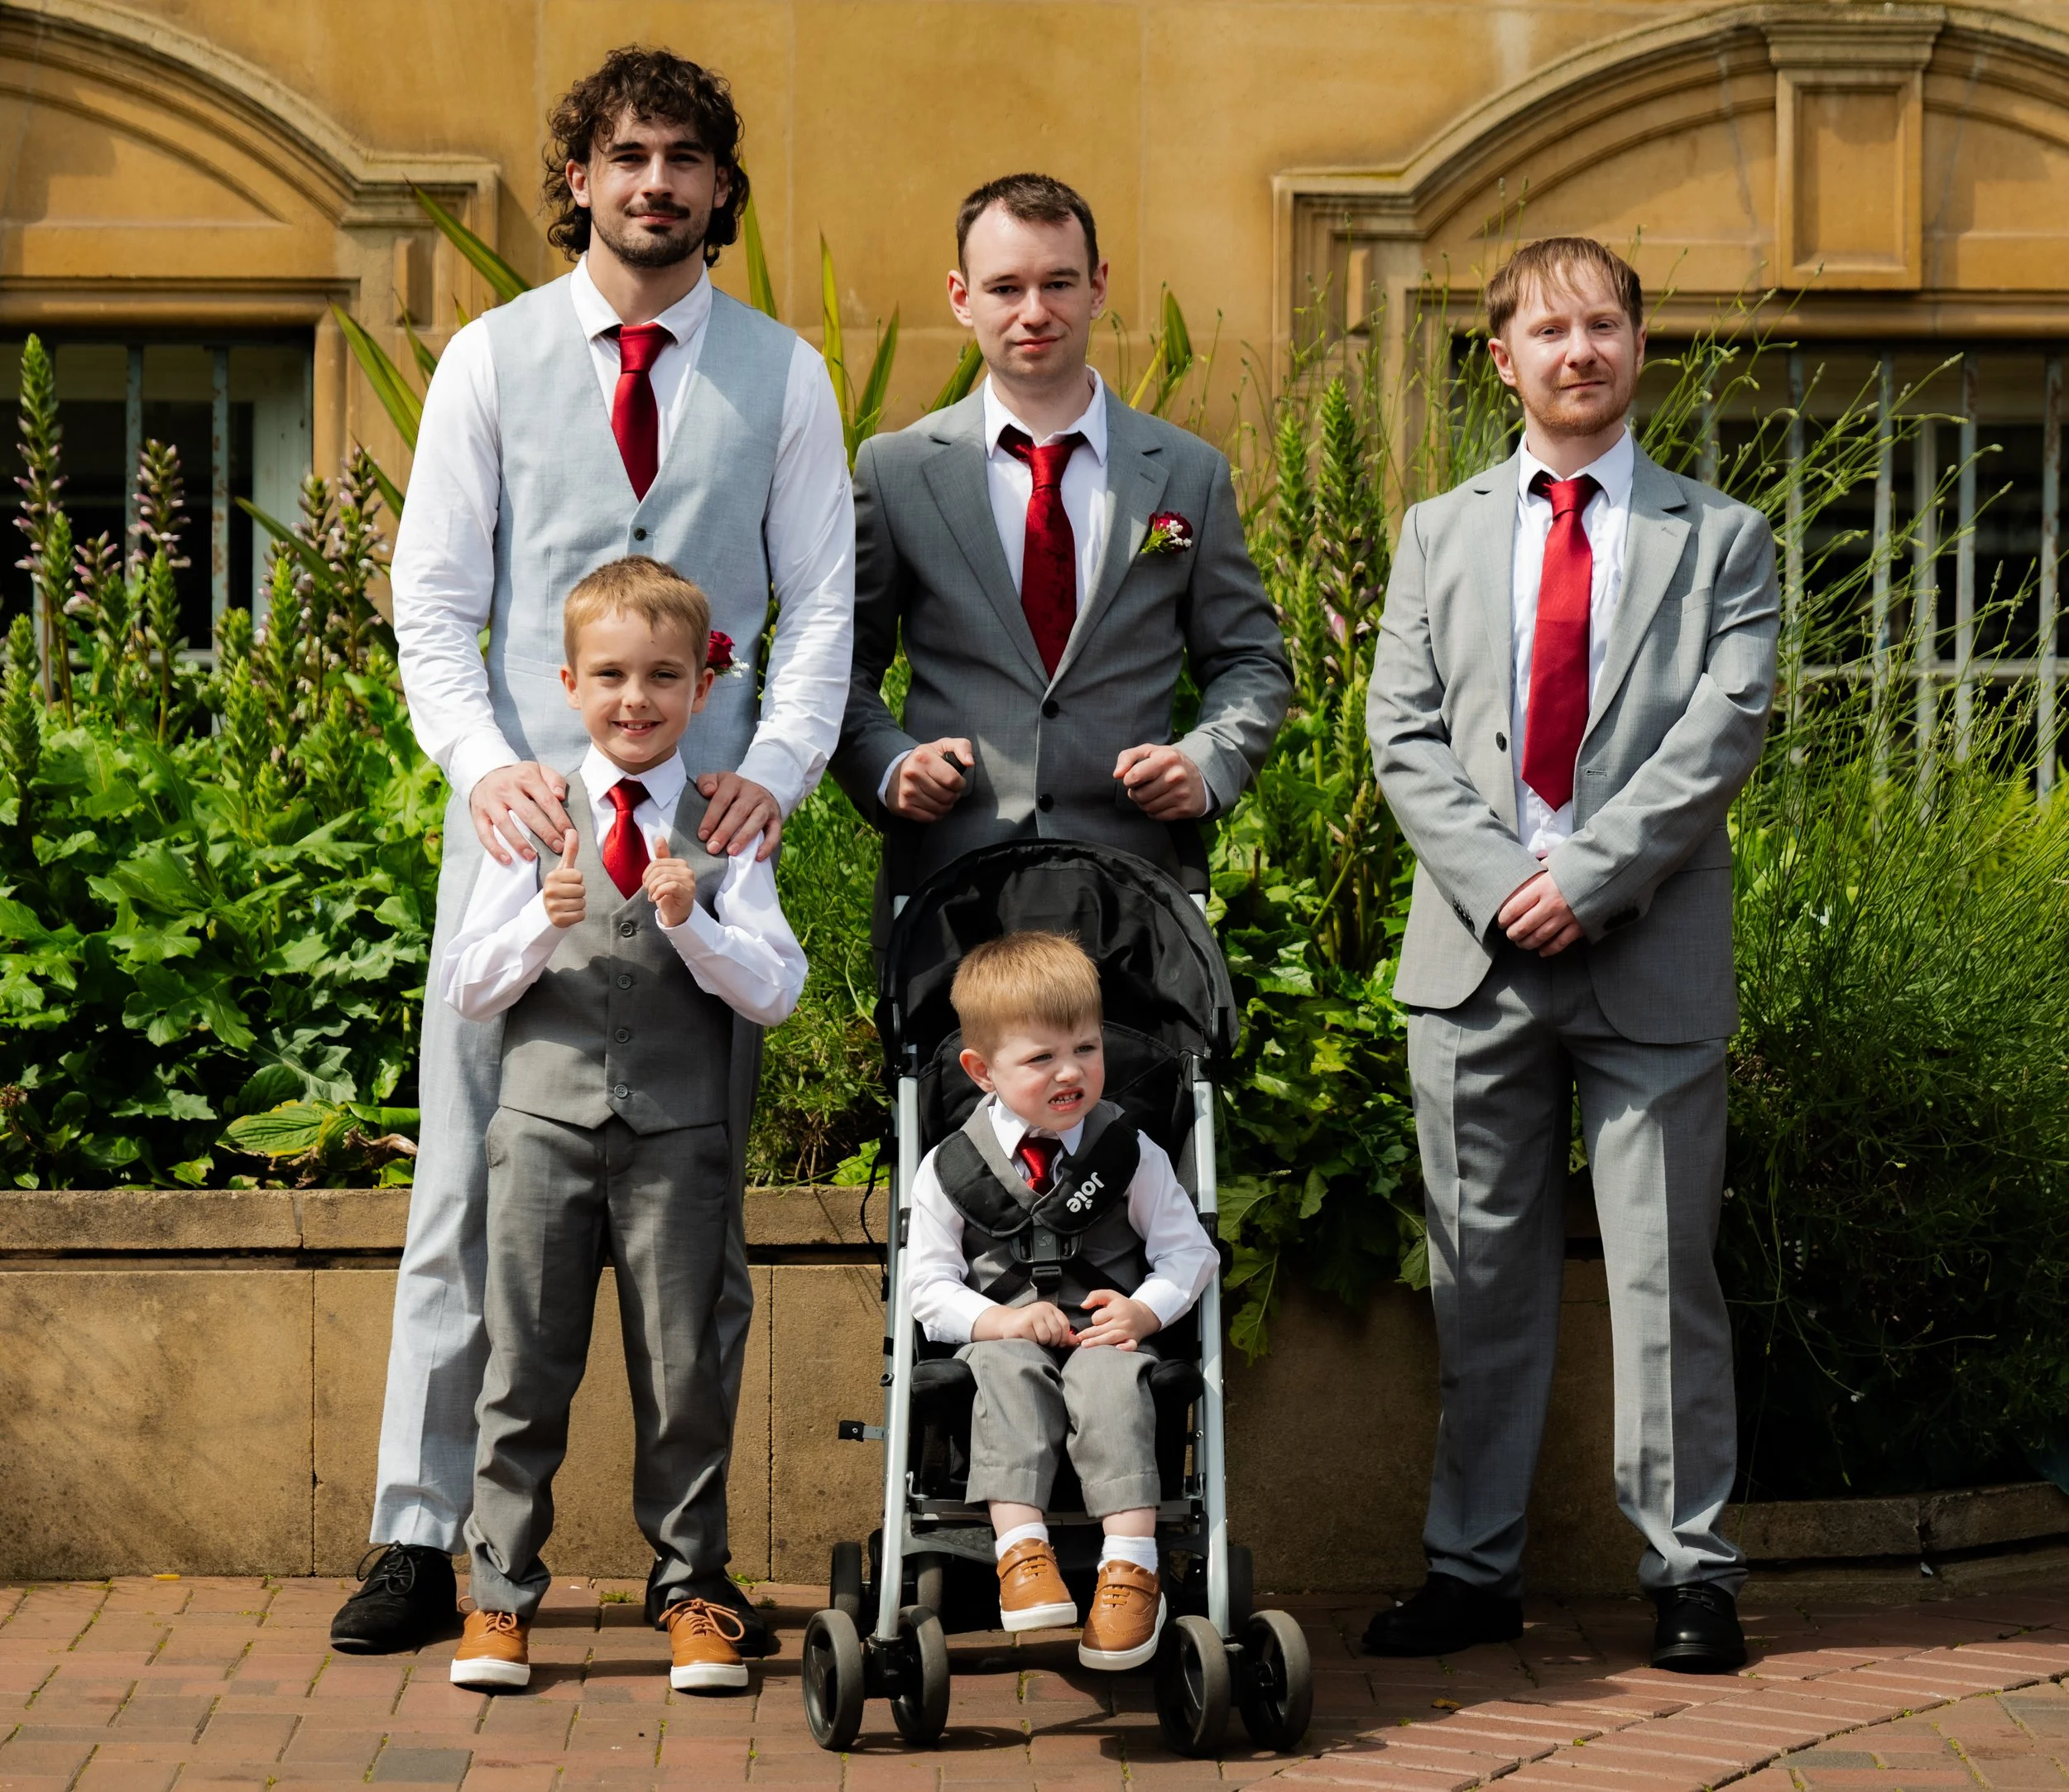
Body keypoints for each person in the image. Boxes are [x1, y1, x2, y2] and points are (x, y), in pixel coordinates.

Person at [339, 46, 852, 1655]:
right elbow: (434, 602)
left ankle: (683, 1558)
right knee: (464, 1180)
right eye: (625, 155)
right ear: (577, 175)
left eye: (682, 158)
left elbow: (820, 601)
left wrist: (769, 768)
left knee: (686, 1203)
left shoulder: (787, 373)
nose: (652, 183)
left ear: (717, 185)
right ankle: (427, 1533)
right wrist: (489, 770)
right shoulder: (491, 361)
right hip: (517, 829)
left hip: (702, 846)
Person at [1365, 236, 1779, 1673]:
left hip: (1648, 950)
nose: (1579, 350)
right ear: (1503, 360)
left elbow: (1724, 731)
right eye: (1549, 330)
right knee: (1477, 1277)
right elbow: (1400, 734)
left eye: (1604, 324)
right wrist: (1502, 887)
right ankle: (1474, 1571)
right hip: (1475, 962)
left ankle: (1690, 1572)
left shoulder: (1722, 538)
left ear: (1639, 345)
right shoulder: (1435, 532)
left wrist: (1587, 879)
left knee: (1667, 1277)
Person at [440, 558, 806, 1694]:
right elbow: (469, 987)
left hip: (680, 1134)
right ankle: (499, 1595)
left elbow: (777, 989)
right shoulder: (535, 812)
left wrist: (695, 926)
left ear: (704, 684)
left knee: (686, 1368)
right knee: (522, 1367)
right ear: (567, 682)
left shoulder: (727, 823)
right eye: (609, 675)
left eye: (662, 676)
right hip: (542, 1129)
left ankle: (695, 1588)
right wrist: (539, 933)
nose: (635, 698)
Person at [832, 172, 1289, 911]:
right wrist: (888, 767)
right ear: (961, 297)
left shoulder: (1188, 472)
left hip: (1136, 888)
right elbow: (839, 663)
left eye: (1059, 283)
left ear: (1099, 288)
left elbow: (1250, 660)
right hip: (952, 884)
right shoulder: (897, 471)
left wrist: (1206, 762)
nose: (1034, 312)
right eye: (1005, 288)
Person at [905, 931, 1219, 1672]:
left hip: (1103, 1333)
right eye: (1041, 1058)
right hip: (1003, 1335)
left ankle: (1131, 1569)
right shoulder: (949, 1167)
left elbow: (1189, 1251)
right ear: (982, 1071)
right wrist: (1000, 1319)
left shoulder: (1127, 1151)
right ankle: (1022, 1554)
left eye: (1086, 1048)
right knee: (1006, 1373)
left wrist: (1145, 1310)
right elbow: (928, 1285)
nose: (1071, 1072)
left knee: (1116, 1379)